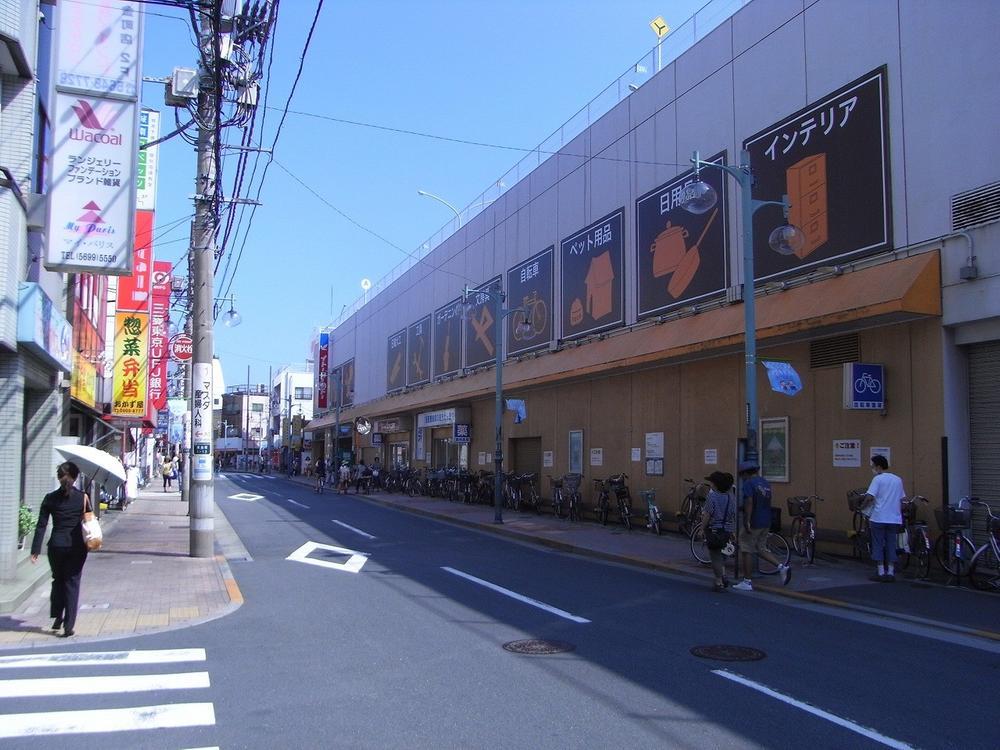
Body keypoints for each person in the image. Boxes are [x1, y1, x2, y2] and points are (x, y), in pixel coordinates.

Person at [30, 462, 91, 637]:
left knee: (58, 580)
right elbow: (89, 520)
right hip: (76, 546)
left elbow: (41, 525)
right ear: (76, 477)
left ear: (58, 477)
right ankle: (69, 625)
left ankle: (57, 616)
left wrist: (34, 550)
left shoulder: (50, 498)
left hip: (56, 546)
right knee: (72, 583)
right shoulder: (83, 498)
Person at [733, 461, 791, 590]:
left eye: (742, 474)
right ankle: (782, 567)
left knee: (746, 548)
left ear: (746, 473)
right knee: (760, 548)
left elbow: (749, 501)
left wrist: (747, 520)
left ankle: (747, 581)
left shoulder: (749, 483)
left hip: (754, 521)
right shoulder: (765, 483)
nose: (741, 477)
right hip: (766, 520)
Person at [863, 454, 905, 582]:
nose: (872, 469)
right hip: (894, 518)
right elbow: (902, 499)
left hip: (879, 517)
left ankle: (881, 572)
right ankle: (891, 572)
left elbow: (870, 496)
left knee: (878, 544)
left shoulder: (878, 479)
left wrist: (862, 506)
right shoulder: (898, 479)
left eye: (873, 466)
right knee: (891, 544)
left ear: (879, 466)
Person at [700, 471, 737, 592]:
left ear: (715, 484)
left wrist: (701, 528)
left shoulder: (712, 496)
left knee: (715, 556)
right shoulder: (730, 497)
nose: (710, 484)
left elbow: (707, 514)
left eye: (711, 482)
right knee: (722, 554)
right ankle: (724, 575)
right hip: (727, 530)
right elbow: (732, 515)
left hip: (714, 529)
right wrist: (732, 531)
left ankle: (719, 581)